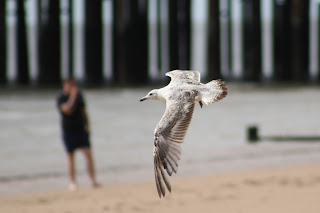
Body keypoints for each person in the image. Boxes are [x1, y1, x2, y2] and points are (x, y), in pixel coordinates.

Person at [57, 78, 98, 190]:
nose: (72, 87)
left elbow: (84, 111)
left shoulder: (79, 96)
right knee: (70, 157)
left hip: (81, 130)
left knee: (88, 154)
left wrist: (88, 125)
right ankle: (72, 183)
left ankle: (92, 180)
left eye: (73, 85)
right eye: (69, 85)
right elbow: (67, 110)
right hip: (68, 132)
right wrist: (72, 98)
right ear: (64, 85)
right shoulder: (61, 97)